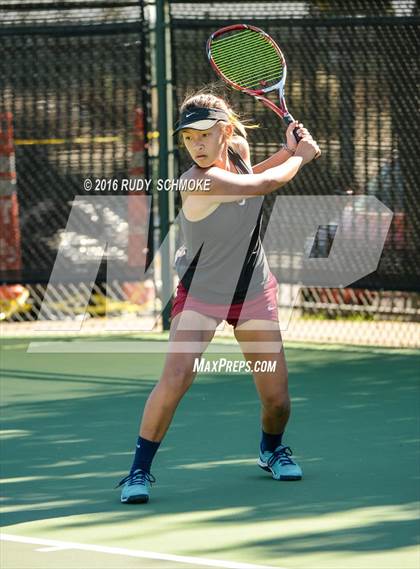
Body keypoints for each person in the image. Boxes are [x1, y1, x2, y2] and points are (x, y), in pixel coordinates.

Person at [116, 92, 320, 503]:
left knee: (277, 398)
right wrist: (301, 157)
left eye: (204, 135)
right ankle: (138, 472)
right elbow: (263, 184)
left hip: (252, 291)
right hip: (202, 296)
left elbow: (251, 179)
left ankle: (271, 449)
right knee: (176, 379)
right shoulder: (195, 180)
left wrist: (286, 149)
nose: (196, 145)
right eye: (188, 138)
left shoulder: (239, 151)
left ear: (225, 131)